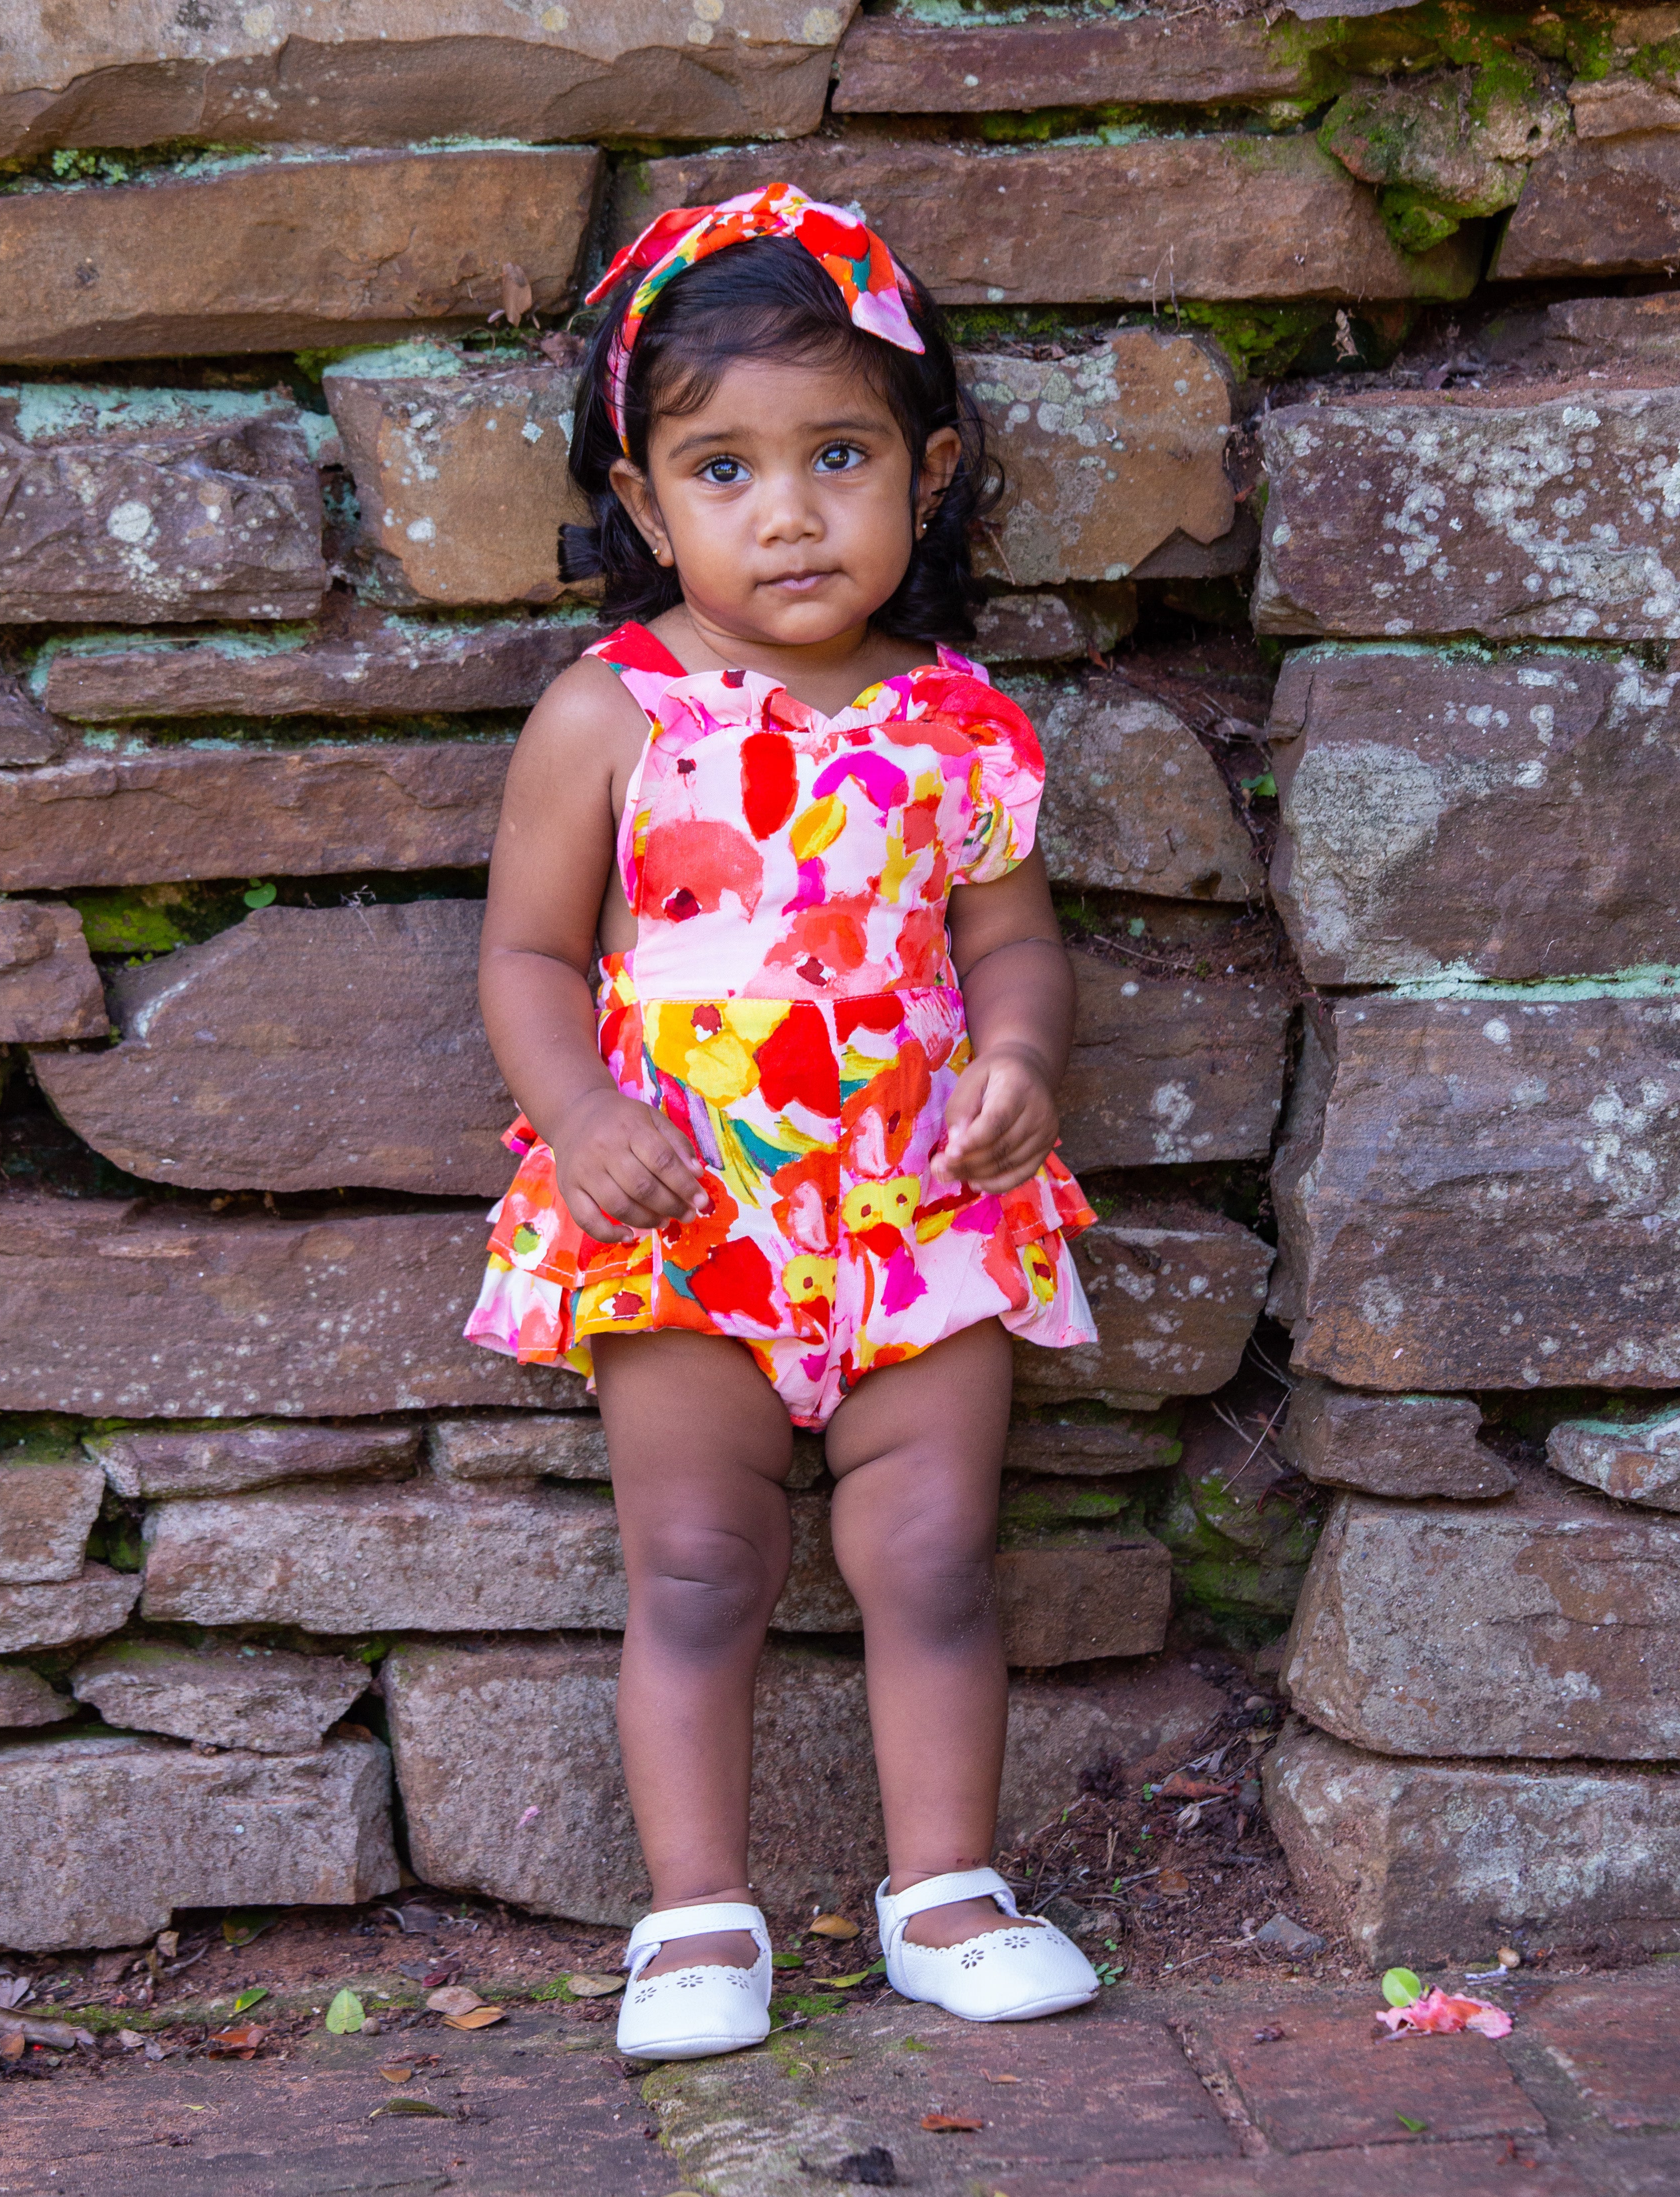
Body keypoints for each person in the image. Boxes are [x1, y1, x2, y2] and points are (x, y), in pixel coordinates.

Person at [468, 183, 1102, 2060]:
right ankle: (695, 1922)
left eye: (839, 454)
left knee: (931, 1552)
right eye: (723, 469)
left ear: (931, 469)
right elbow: (524, 954)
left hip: (921, 1204)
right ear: (650, 506)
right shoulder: (609, 713)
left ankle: (948, 1888)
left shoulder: (957, 721)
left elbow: (1015, 944)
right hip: (681, 1217)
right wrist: (579, 1117)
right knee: (694, 1564)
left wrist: (1022, 1061)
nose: (792, 511)